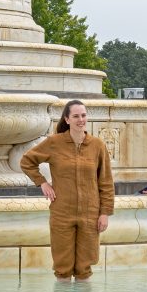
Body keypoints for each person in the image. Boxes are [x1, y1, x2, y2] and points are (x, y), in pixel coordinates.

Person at [20, 100, 115, 281]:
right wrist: (42, 183)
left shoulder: (97, 145)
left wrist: (105, 213)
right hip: (62, 211)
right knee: (62, 267)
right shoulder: (54, 142)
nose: (81, 120)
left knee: (84, 267)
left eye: (84, 115)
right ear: (67, 119)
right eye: (76, 116)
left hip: (90, 212)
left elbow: (106, 182)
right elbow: (27, 161)